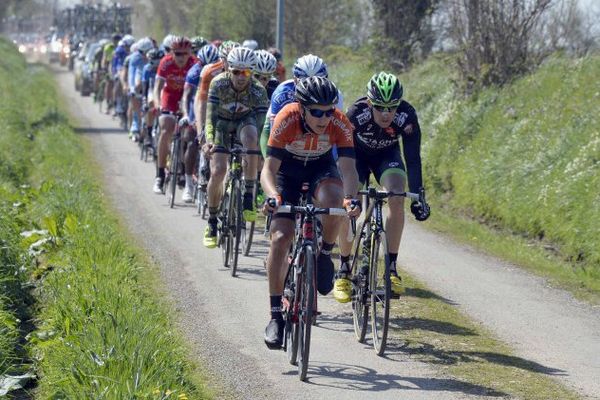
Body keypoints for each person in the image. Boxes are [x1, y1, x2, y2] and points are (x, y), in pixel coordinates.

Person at [261, 76, 360, 349]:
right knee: (281, 237)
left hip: (321, 168)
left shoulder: (339, 122)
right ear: (302, 108)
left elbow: (349, 169)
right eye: (317, 111)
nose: (324, 117)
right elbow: (268, 170)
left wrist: (351, 200)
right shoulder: (287, 118)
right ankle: (275, 316)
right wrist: (272, 196)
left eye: (328, 111)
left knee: (335, 199)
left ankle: (324, 254)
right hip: (287, 172)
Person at [333, 72, 431, 303]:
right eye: (380, 107)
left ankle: (392, 268)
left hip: (387, 156)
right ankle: (345, 269)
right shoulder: (356, 114)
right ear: (369, 102)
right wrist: (348, 194)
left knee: (397, 195)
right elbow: (342, 154)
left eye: (392, 107)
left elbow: (413, 159)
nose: (386, 113)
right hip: (357, 157)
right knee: (350, 202)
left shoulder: (407, 116)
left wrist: (418, 196)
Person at [202, 47, 269, 248]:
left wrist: (263, 152)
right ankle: (212, 221)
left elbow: (261, 123)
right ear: (228, 69)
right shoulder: (218, 83)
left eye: (247, 72)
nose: (241, 77)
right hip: (221, 124)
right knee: (219, 171)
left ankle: (248, 194)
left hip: (244, 123)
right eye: (237, 71)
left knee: (251, 136)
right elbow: (210, 116)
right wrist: (209, 140)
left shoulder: (258, 90)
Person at [152, 36, 197, 194]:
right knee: (166, 129)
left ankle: (185, 170)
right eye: (177, 54)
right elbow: (157, 86)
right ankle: (160, 176)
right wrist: (157, 104)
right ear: (172, 53)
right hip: (170, 97)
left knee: (189, 132)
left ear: (189, 53)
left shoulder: (194, 63)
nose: (181, 57)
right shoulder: (166, 62)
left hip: (188, 98)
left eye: (184, 54)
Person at [178, 44, 220, 203]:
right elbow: (187, 96)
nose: (207, 67)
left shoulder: (219, 73)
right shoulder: (194, 72)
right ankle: (188, 183)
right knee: (191, 142)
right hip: (194, 109)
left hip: (212, 111)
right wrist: (186, 116)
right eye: (204, 64)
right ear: (199, 62)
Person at [127, 37, 154, 141]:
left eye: (145, 52)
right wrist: (132, 88)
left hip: (150, 81)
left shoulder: (155, 56)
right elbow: (131, 73)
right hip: (139, 79)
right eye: (141, 52)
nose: (143, 55)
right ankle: (135, 122)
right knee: (135, 92)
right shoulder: (135, 57)